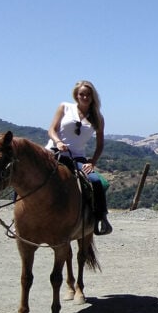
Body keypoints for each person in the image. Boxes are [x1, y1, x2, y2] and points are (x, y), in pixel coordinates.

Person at [46, 79, 112, 235]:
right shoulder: (64, 107)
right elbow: (51, 130)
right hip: (54, 152)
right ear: (76, 95)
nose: (85, 97)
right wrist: (58, 141)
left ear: (93, 96)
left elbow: (100, 144)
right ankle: (18, 215)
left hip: (77, 157)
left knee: (96, 181)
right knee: (29, 172)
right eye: (82, 94)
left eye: (88, 94)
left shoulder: (97, 117)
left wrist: (92, 162)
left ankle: (101, 218)